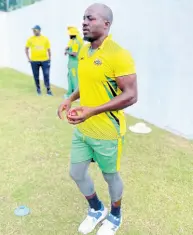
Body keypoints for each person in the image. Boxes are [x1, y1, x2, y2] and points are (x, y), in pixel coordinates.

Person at [58, 3, 137, 235]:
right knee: (76, 173)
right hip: (83, 130)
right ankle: (96, 209)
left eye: (90, 18)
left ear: (106, 24)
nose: (84, 22)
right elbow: (88, 82)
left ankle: (115, 216)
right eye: (83, 18)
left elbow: (131, 95)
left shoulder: (118, 54)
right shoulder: (84, 50)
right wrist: (71, 99)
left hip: (107, 132)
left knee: (110, 176)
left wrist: (92, 110)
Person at [25, 25, 53, 96]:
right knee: (36, 76)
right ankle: (38, 89)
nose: (34, 31)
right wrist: (29, 58)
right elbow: (26, 49)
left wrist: (49, 59)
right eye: (33, 30)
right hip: (34, 61)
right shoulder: (30, 39)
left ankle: (48, 90)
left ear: (39, 30)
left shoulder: (45, 39)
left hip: (45, 60)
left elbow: (49, 50)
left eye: (35, 30)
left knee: (46, 75)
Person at [64, 27, 83, 98]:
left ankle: (76, 96)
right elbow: (69, 46)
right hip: (71, 63)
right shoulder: (73, 41)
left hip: (75, 63)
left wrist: (67, 52)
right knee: (70, 77)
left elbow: (74, 54)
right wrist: (67, 48)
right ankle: (70, 94)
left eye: (69, 34)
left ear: (72, 34)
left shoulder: (76, 42)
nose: (68, 35)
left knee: (75, 79)